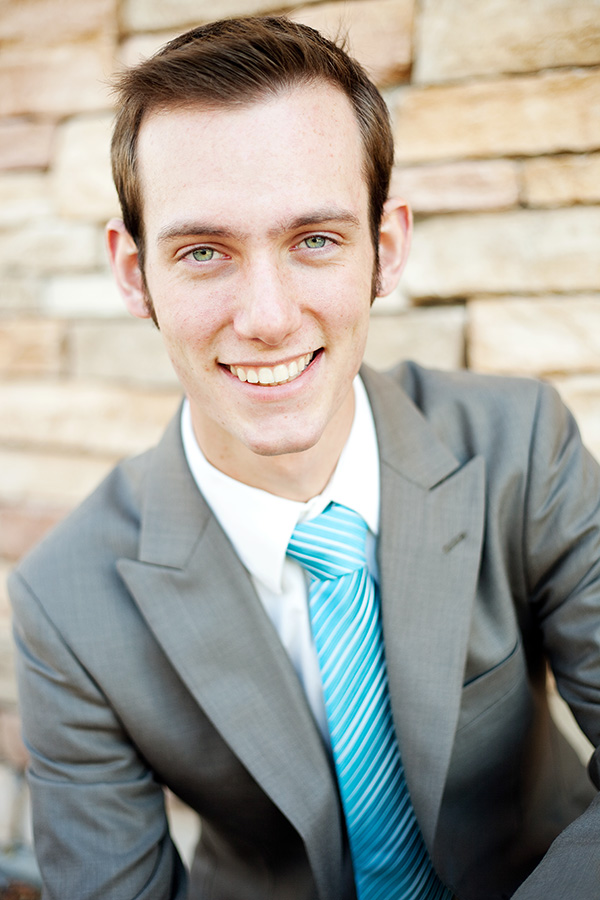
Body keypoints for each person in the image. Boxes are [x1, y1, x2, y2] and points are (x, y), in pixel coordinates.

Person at [9, 15, 600, 900]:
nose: (268, 317)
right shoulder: (65, 604)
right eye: (203, 251)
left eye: (315, 239)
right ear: (134, 274)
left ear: (384, 249)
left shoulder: (524, 447)